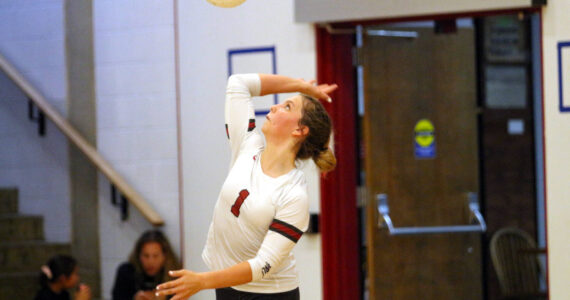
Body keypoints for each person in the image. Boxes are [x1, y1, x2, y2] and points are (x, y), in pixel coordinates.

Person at [156, 73, 337, 299]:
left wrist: (202, 281)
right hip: (228, 286)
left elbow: (262, 266)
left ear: (299, 131)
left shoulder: (294, 194)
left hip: (270, 294)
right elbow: (238, 83)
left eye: (287, 107)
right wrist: (302, 86)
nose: (274, 107)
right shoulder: (248, 144)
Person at [112, 230, 181, 300]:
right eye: (146, 256)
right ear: (138, 255)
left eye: (156, 256)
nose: (150, 262)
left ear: (165, 256)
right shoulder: (126, 272)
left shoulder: (174, 274)